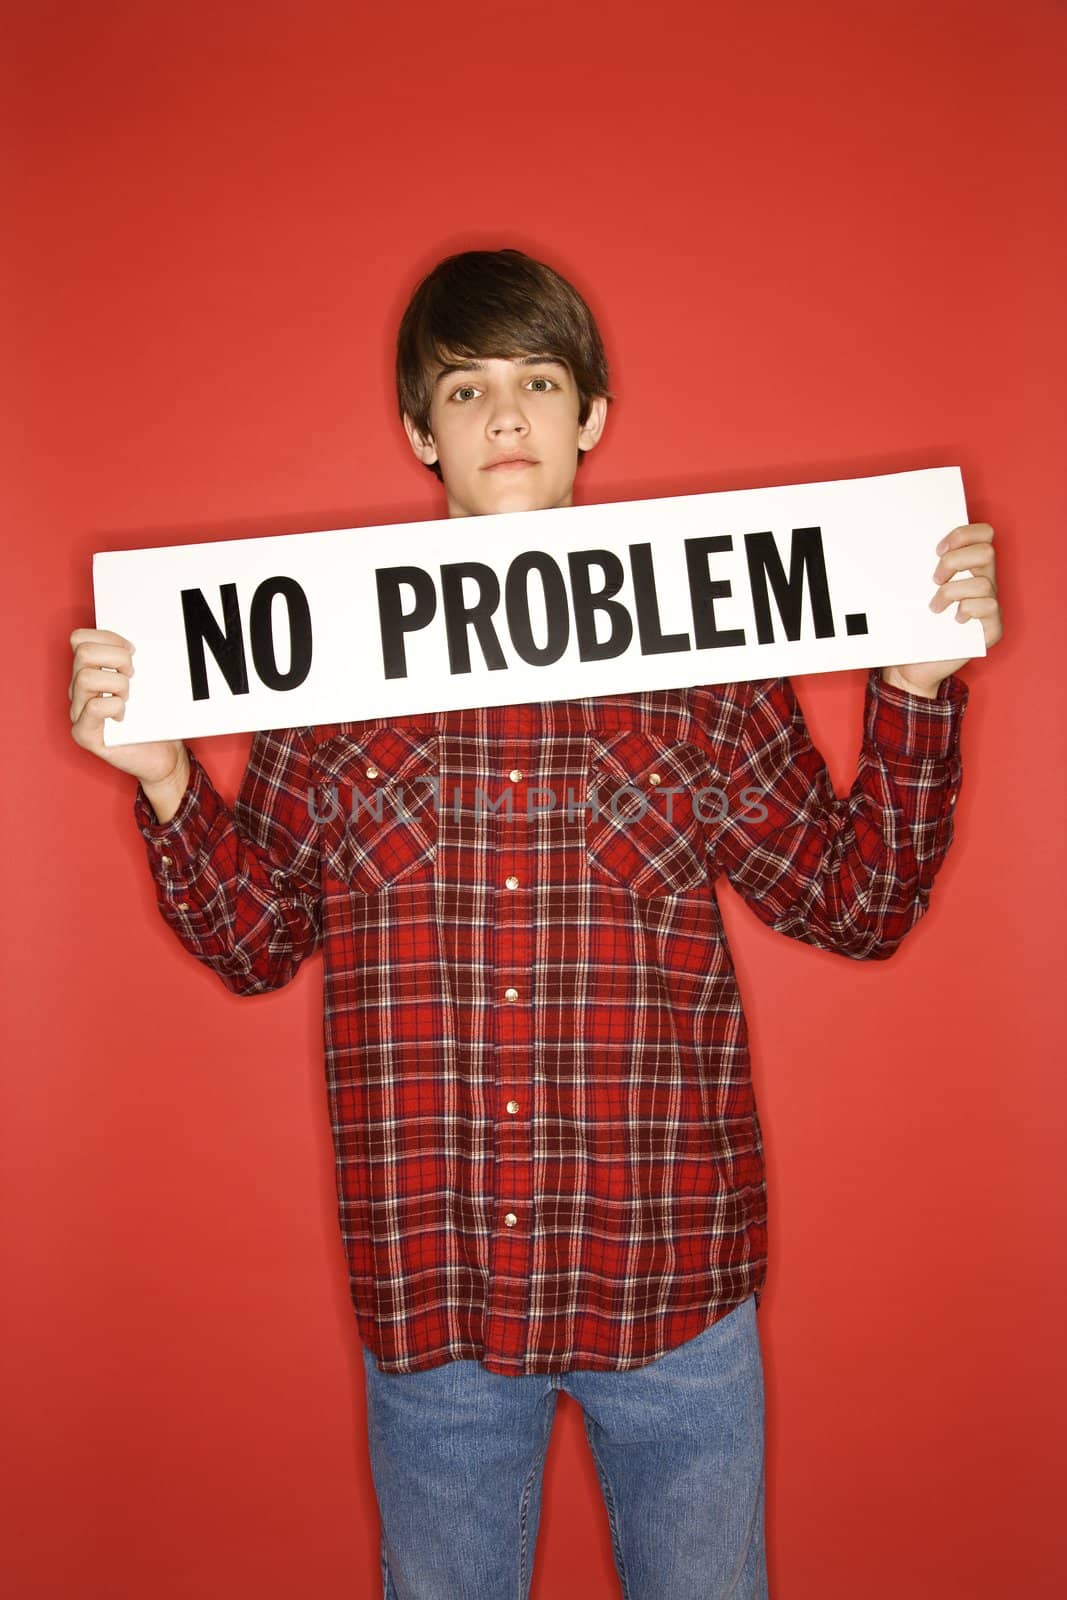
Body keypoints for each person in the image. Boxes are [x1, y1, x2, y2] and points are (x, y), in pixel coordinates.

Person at [68, 247, 1003, 1600]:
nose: (506, 416)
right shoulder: (326, 668)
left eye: (540, 381)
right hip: (437, 1300)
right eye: (466, 387)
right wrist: (164, 781)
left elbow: (855, 907)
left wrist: (913, 690)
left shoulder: (704, 666)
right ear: (418, 431)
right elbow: (257, 939)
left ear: (592, 416)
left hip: (673, 1288)